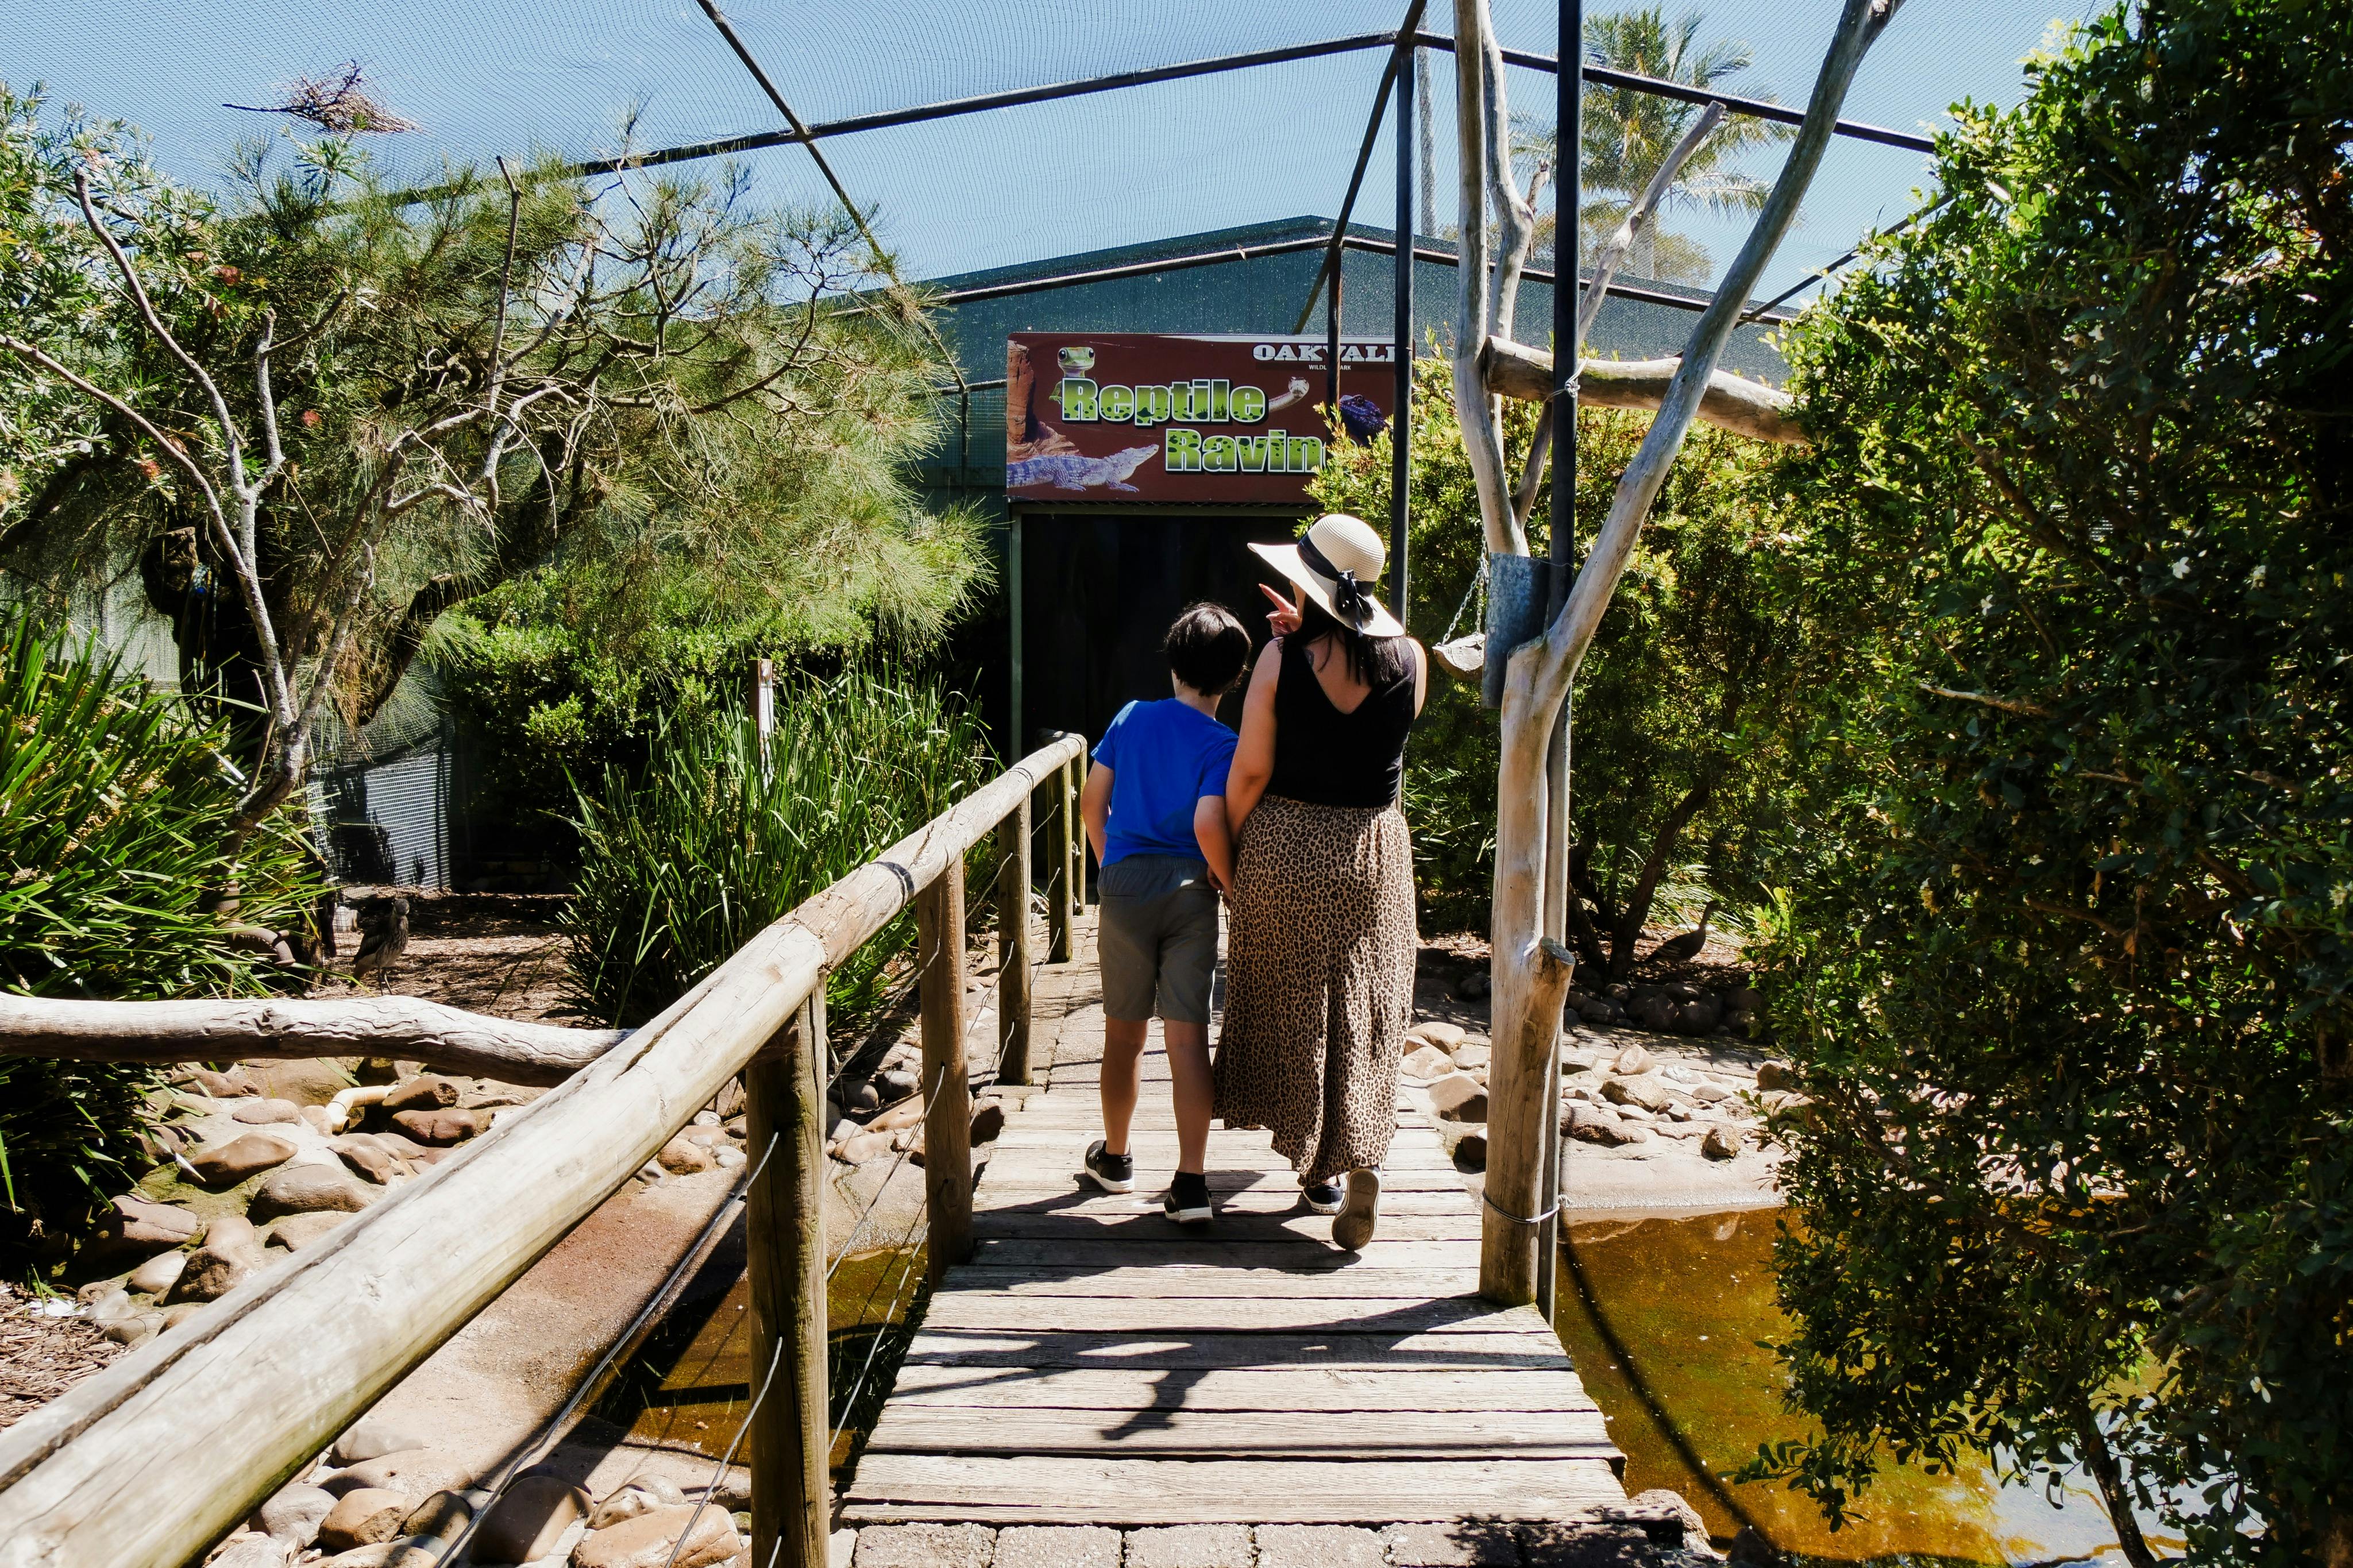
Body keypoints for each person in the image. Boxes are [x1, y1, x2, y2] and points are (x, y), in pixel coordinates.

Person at [1214, 513, 1426, 1251]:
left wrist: (1235, 844)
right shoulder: (1414, 658)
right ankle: (1349, 1159)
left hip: (1289, 843)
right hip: (1374, 850)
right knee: (1365, 1004)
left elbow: (1250, 769)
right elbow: (1380, 744)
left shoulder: (1279, 661)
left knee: (1295, 1001)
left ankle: (1313, 1164)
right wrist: (1308, 629)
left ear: (1309, 587)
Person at [1078, 602, 1252, 1223]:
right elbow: (1211, 827)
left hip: (1124, 884)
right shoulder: (1225, 744)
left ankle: (1117, 1159)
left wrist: (1113, 866)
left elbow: (1090, 804)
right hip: (1190, 893)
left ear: (1174, 662)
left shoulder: (1131, 718)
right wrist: (1226, 885)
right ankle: (1192, 1184)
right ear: (1236, 677)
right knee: (1187, 1041)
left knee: (1123, 1035)